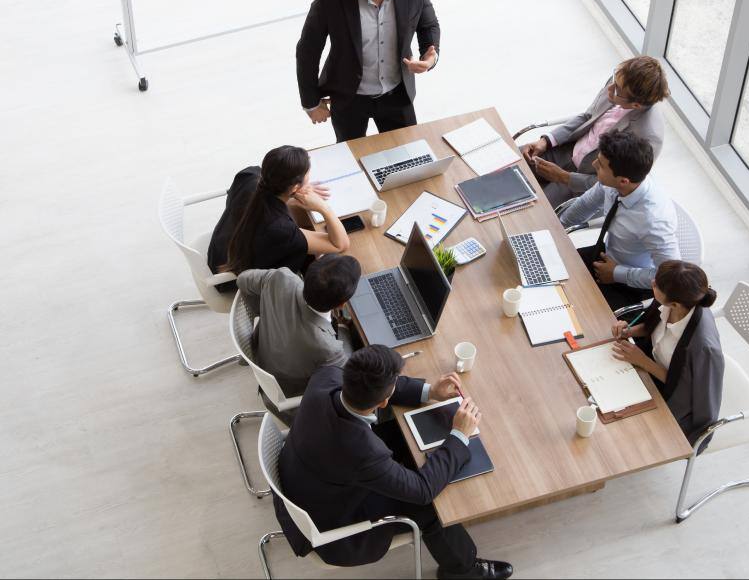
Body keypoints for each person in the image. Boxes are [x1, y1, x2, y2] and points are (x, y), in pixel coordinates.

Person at [274, 346, 513, 580]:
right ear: (383, 401)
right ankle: (464, 570)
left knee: (400, 438)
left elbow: (377, 388)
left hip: (309, 478)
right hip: (335, 526)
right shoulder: (363, 451)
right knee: (430, 507)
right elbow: (423, 491)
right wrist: (460, 435)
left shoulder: (326, 378)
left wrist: (430, 392)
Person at [296, 0, 440, 143]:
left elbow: (428, 25)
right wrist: (311, 102)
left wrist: (430, 56)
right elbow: (308, 50)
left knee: (409, 156)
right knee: (351, 162)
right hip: (348, 98)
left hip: (397, 94)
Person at [521, 56, 669, 207]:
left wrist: (564, 177)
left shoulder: (647, 138)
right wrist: (546, 140)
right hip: (567, 150)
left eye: (617, 89)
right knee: (513, 160)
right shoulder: (618, 81)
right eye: (614, 81)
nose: (609, 88)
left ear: (636, 105)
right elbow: (588, 116)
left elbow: (614, 184)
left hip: (584, 181)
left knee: (534, 211)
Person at [559, 130, 679, 311]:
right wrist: (556, 229)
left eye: (599, 166)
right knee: (552, 273)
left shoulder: (653, 222)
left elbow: (669, 279)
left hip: (630, 283)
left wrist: (617, 274)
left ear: (623, 181)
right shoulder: (613, 183)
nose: (593, 165)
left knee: (576, 311)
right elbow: (585, 205)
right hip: (606, 255)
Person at [609, 260, 724, 450]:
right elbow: (652, 325)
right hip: (646, 372)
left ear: (675, 303)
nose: (653, 282)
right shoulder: (673, 299)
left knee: (615, 431)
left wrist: (642, 361)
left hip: (668, 397)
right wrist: (629, 331)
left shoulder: (703, 348)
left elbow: (686, 391)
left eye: (656, 285)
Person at [236, 254, 362, 421]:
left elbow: (242, 280)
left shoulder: (281, 278)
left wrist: (262, 313)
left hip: (265, 357)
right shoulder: (327, 348)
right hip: (293, 399)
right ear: (342, 304)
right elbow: (350, 384)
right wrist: (344, 328)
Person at [207, 146, 350, 287]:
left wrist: (292, 195)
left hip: (218, 253)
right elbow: (340, 245)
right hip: (231, 279)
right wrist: (324, 208)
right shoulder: (280, 228)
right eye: (307, 178)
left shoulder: (249, 176)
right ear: (294, 187)